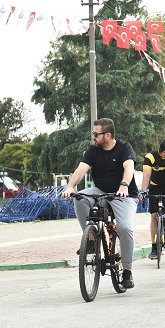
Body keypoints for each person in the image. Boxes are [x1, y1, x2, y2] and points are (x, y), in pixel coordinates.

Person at [62, 118, 138, 289]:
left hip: (123, 195)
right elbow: (81, 170)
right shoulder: (93, 151)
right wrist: (70, 186)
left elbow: (129, 168)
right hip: (101, 192)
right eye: (93, 134)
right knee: (79, 197)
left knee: (125, 228)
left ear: (108, 135)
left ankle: (127, 271)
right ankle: (90, 240)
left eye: (96, 134)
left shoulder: (124, 148)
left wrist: (124, 185)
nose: (93, 137)